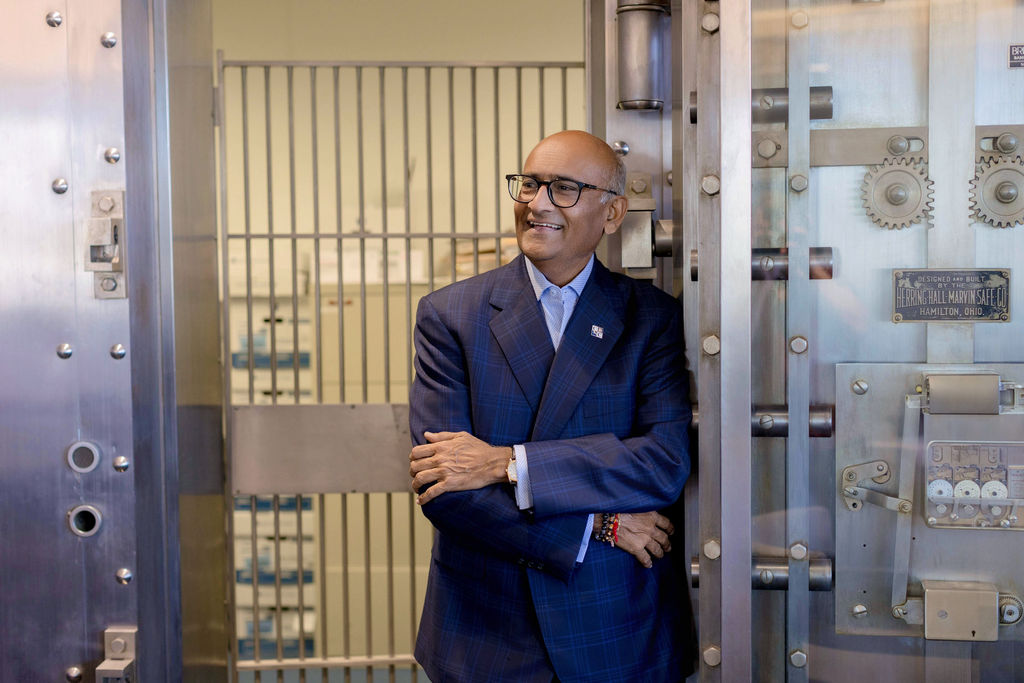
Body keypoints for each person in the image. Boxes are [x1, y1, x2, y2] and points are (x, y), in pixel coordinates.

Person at [407, 130, 694, 682]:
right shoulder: (451, 316)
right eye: (530, 184)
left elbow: (662, 465)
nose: (537, 203)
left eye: (563, 188)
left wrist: (506, 463)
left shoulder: (651, 317)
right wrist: (600, 526)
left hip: (616, 622)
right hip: (488, 628)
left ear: (612, 214)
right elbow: (442, 488)